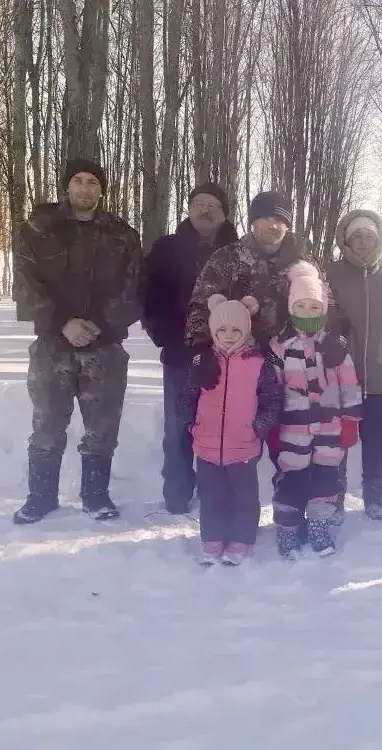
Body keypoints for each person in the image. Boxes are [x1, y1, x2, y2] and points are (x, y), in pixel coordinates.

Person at [12, 158, 143, 524]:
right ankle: (40, 497)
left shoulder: (122, 235)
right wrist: (62, 323)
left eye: (92, 182)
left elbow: (134, 288)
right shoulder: (39, 228)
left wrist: (98, 323)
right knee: (47, 425)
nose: (85, 188)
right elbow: (25, 282)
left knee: (102, 428)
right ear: (67, 186)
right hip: (52, 347)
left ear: (102, 189)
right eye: (78, 180)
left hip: (104, 348)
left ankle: (95, 496)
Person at [142, 182, 239, 515]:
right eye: (199, 203)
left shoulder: (238, 252)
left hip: (227, 355)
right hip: (180, 353)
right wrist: (165, 336)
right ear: (189, 208)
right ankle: (178, 491)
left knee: (223, 426)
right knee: (178, 426)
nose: (205, 210)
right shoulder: (166, 249)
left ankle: (220, 491)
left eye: (213, 205)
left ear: (224, 214)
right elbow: (149, 296)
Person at [176, 294, 283, 565]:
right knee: (211, 496)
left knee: (243, 497)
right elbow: (187, 397)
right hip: (206, 445)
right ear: (213, 329)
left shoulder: (259, 364)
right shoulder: (201, 362)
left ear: (246, 330)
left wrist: (258, 427)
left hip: (243, 446)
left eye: (235, 330)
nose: (228, 335)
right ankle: (212, 539)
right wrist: (191, 425)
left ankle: (241, 539)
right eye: (222, 329)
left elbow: (272, 401)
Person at [271, 264, 362, 559]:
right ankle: (288, 528)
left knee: (325, 478)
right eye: (300, 305)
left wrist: (350, 421)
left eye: (314, 306)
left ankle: (319, 526)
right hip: (293, 429)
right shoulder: (280, 346)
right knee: (291, 479)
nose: (307, 312)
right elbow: (271, 387)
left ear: (323, 309)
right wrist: (271, 423)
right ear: (290, 307)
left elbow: (349, 384)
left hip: (329, 427)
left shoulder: (334, 345)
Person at [326, 209, 382, 521]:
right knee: (337, 440)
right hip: (340, 375)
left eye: (369, 236)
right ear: (345, 240)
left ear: (379, 240)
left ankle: (374, 496)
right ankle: (334, 497)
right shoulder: (330, 274)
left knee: (377, 439)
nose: (363, 242)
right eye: (357, 236)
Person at [185, 191, 307, 374]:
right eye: (265, 218)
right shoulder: (227, 259)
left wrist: (330, 339)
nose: (273, 225)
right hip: (237, 363)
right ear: (253, 222)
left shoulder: (304, 263)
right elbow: (201, 306)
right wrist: (202, 349)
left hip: (294, 364)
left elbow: (325, 305)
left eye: (279, 220)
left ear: (287, 226)